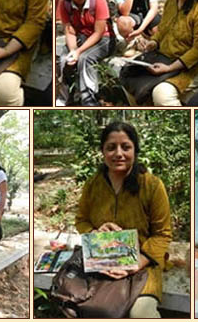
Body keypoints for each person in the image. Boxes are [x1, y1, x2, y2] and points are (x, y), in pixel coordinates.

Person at [75, 122, 172, 318]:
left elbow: (163, 234)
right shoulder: (93, 185)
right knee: (89, 308)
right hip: (103, 261)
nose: (118, 154)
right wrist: (95, 232)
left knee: (140, 314)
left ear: (135, 150)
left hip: (143, 265)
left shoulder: (151, 185)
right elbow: (81, 220)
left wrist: (137, 263)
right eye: (111, 148)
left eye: (125, 147)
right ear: (102, 151)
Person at [123, 0, 198, 106]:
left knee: (161, 94)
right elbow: (163, 29)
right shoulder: (171, 3)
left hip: (193, 65)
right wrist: (154, 42)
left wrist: (170, 68)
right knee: (129, 74)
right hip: (165, 57)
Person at [56, 0, 113, 106]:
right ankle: (66, 96)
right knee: (64, 59)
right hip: (82, 38)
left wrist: (79, 52)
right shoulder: (65, 5)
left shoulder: (98, 1)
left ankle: (89, 98)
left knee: (85, 58)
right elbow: (69, 31)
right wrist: (73, 51)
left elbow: (99, 33)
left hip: (104, 39)